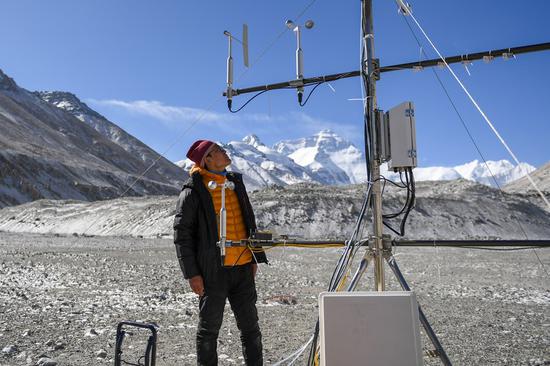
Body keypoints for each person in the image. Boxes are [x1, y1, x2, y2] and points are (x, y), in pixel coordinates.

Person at [173, 139, 268, 366]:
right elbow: (182, 234)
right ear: (207, 159)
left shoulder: (235, 183)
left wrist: (255, 255)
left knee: (251, 328)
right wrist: (192, 274)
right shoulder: (193, 191)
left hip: (243, 267)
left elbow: (248, 222)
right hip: (212, 272)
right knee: (208, 330)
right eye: (218, 151)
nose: (225, 153)